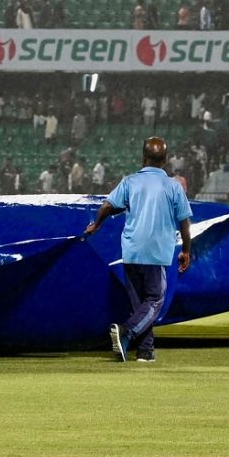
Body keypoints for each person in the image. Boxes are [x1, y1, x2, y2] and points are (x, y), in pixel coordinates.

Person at [84, 137, 192, 363]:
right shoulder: (173, 186)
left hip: (131, 251)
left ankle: (145, 351)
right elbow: (184, 222)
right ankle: (126, 331)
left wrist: (96, 225)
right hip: (156, 251)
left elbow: (107, 206)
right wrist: (187, 251)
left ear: (143, 158)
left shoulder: (130, 182)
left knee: (140, 303)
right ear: (165, 160)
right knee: (154, 301)